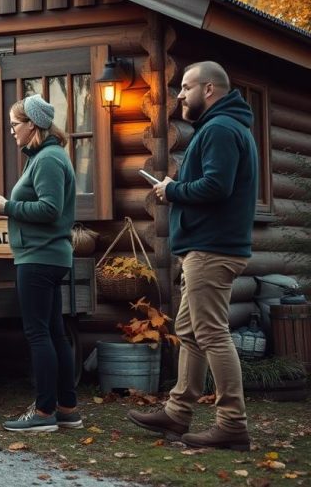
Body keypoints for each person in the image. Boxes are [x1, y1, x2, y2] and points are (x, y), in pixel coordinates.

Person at [127, 61, 258, 451]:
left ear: (209, 90)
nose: (179, 95)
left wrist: (173, 190)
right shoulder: (224, 127)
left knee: (212, 333)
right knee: (189, 332)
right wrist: (178, 186)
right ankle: (178, 411)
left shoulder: (219, 128)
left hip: (212, 249)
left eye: (185, 87)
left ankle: (232, 423)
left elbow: (216, 186)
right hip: (207, 248)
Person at [0, 94, 81, 433]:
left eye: (15, 124)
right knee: (53, 333)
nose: (12, 131)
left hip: (39, 257)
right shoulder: (42, 157)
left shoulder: (49, 160)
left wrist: (6, 207)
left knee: (38, 333)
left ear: (32, 125)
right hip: (46, 256)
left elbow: (50, 209)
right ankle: (67, 409)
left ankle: (43, 413)